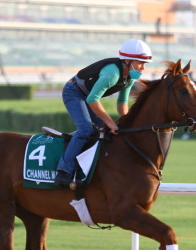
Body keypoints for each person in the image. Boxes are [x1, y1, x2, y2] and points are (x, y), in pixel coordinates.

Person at [54, 39, 152, 188]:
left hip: (87, 95)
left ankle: (93, 168)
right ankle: (64, 171)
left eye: (144, 64)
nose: (143, 68)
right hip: (73, 92)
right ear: (127, 61)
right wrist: (110, 122)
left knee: (104, 131)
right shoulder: (111, 74)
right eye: (140, 63)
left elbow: (122, 102)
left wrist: (124, 122)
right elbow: (93, 99)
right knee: (86, 129)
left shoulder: (129, 76)